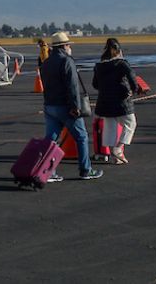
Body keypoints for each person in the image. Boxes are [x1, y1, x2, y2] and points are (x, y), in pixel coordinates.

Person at [38, 32, 103, 181]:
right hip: (65, 106)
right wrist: (75, 106)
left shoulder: (46, 62)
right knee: (81, 137)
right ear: (64, 46)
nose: (69, 48)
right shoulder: (67, 61)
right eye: (68, 45)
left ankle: (47, 171)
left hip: (50, 105)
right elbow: (72, 86)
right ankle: (86, 169)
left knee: (50, 140)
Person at [92, 39, 139, 165]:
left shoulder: (99, 66)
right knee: (130, 124)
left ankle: (115, 155)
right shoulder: (121, 64)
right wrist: (133, 90)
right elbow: (132, 78)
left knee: (110, 127)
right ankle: (119, 148)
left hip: (104, 102)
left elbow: (95, 84)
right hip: (121, 101)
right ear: (118, 51)